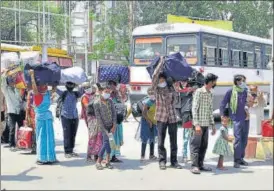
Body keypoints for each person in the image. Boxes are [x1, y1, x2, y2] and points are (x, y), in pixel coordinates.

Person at [151, 58, 182, 170]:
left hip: (172, 117)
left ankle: (174, 161)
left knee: (173, 141)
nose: (161, 81)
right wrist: (161, 63)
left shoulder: (170, 88)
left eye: (163, 80)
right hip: (161, 117)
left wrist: (175, 88)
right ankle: (162, 161)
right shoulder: (156, 89)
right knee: (161, 141)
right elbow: (155, 75)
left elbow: (176, 100)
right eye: (160, 80)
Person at [190, 73, 218, 174]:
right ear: (210, 82)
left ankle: (200, 165)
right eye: (214, 81)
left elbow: (210, 110)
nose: (215, 83)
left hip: (206, 124)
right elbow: (194, 108)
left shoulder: (211, 93)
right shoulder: (199, 92)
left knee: (204, 145)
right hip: (198, 124)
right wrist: (196, 125)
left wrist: (213, 125)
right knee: (195, 145)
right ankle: (194, 166)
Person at [220, 74, 249, 168]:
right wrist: (222, 115)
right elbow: (223, 103)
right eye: (242, 81)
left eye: (244, 81)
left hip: (246, 118)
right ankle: (236, 160)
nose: (244, 83)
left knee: (244, 140)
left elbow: (248, 102)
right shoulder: (231, 91)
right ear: (237, 81)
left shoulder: (245, 91)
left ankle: (241, 158)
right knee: (238, 140)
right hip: (236, 118)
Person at [29, 69, 57, 165]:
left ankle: (49, 157)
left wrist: (54, 78)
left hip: (47, 119)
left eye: (45, 84)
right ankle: (43, 158)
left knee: (49, 138)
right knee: (42, 138)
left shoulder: (47, 94)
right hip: (41, 119)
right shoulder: (37, 95)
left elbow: (54, 88)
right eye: (42, 84)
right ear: (38, 86)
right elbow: (34, 88)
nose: (44, 86)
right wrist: (32, 76)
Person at [56, 82, 84, 158]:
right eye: (69, 85)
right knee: (67, 134)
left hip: (74, 117)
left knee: (73, 134)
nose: (70, 86)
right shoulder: (63, 93)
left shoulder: (76, 94)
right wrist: (54, 83)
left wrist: (79, 84)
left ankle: (71, 150)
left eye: (72, 85)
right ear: (66, 86)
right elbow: (55, 89)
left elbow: (82, 90)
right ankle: (67, 151)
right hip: (65, 117)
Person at [93, 82, 116, 170]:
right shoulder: (96, 103)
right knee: (106, 142)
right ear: (101, 91)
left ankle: (107, 161)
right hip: (103, 126)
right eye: (106, 91)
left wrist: (114, 125)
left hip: (111, 125)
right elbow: (98, 118)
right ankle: (98, 161)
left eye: (109, 92)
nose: (107, 93)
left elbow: (114, 113)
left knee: (108, 143)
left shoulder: (110, 101)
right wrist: (105, 130)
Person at [1, 70, 24, 151]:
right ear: (8, 82)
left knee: (21, 128)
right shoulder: (6, 90)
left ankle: (21, 143)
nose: (12, 83)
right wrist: (4, 74)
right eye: (11, 81)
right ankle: (12, 145)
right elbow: (3, 83)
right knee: (12, 129)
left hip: (19, 111)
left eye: (13, 81)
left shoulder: (16, 89)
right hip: (11, 112)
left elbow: (20, 99)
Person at [135, 87, 158, 161]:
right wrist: (149, 121)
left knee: (152, 138)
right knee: (145, 138)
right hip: (146, 122)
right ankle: (142, 156)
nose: (152, 94)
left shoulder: (156, 101)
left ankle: (151, 155)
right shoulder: (147, 102)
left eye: (153, 92)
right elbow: (144, 113)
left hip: (154, 122)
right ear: (148, 94)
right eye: (150, 93)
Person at [177, 80, 197, 163]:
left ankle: (192, 155)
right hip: (186, 115)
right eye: (182, 82)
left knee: (194, 137)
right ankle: (184, 155)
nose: (183, 83)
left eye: (185, 81)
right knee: (186, 137)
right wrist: (180, 115)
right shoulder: (180, 92)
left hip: (194, 115)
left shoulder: (193, 90)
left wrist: (193, 90)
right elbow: (177, 105)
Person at [81, 84, 101, 162]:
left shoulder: (94, 95)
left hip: (97, 117)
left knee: (98, 136)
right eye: (85, 88)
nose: (88, 89)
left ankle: (96, 154)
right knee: (92, 136)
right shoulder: (85, 97)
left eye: (89, 87)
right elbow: (87, 106)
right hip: (91, 118)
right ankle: (90, 155)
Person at [108, 80, 124, 163]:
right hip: (110, 119)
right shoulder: (107, 94)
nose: (111, 86)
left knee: (117, 138)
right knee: (111, 138)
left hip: (118, 119)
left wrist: (118, 93)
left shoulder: (118, 94)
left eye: (112, 85)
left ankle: (114, 156)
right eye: (109, 85)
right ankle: (109, 156)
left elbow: (122, 103)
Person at [25, 87, 36, 154]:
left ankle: (34, 148)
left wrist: (26, 116)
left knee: (33, 132)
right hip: (37, 113)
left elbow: (28, 105)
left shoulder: (30, 92)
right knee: (36, 131)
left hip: (32, 114)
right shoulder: (40, 90)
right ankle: (37, 147)